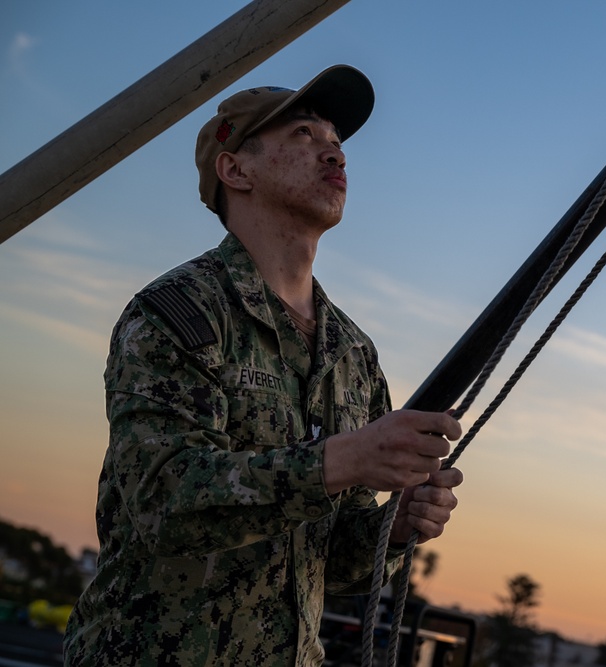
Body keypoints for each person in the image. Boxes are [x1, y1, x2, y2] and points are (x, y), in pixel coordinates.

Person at [63, 64, 464, 666]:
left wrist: (398, 528)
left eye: (337, 141)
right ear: (235, 169)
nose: (334, 152)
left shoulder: (353, 354)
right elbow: (164, 501)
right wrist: (347, 457)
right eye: (304, 134)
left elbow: (334, 564)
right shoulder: (179, 312)